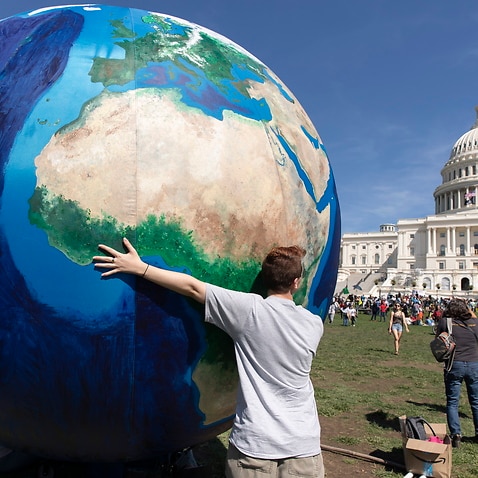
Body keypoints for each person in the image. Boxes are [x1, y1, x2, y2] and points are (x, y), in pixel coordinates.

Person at [93, 238, 325, 478]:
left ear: (265, 279)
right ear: (296, 282)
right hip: (303, 446)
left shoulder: (249, 311)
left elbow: (193, 288)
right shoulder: (314, 324)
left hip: (256, 446)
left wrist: (140, 268)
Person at [436, 298, 478, 448]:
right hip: (474, 364)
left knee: (453, 402)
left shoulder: (446, 322)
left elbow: (438, 341)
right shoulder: (475, 323)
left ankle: (456, 435)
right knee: (476, 401)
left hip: (454, 364)